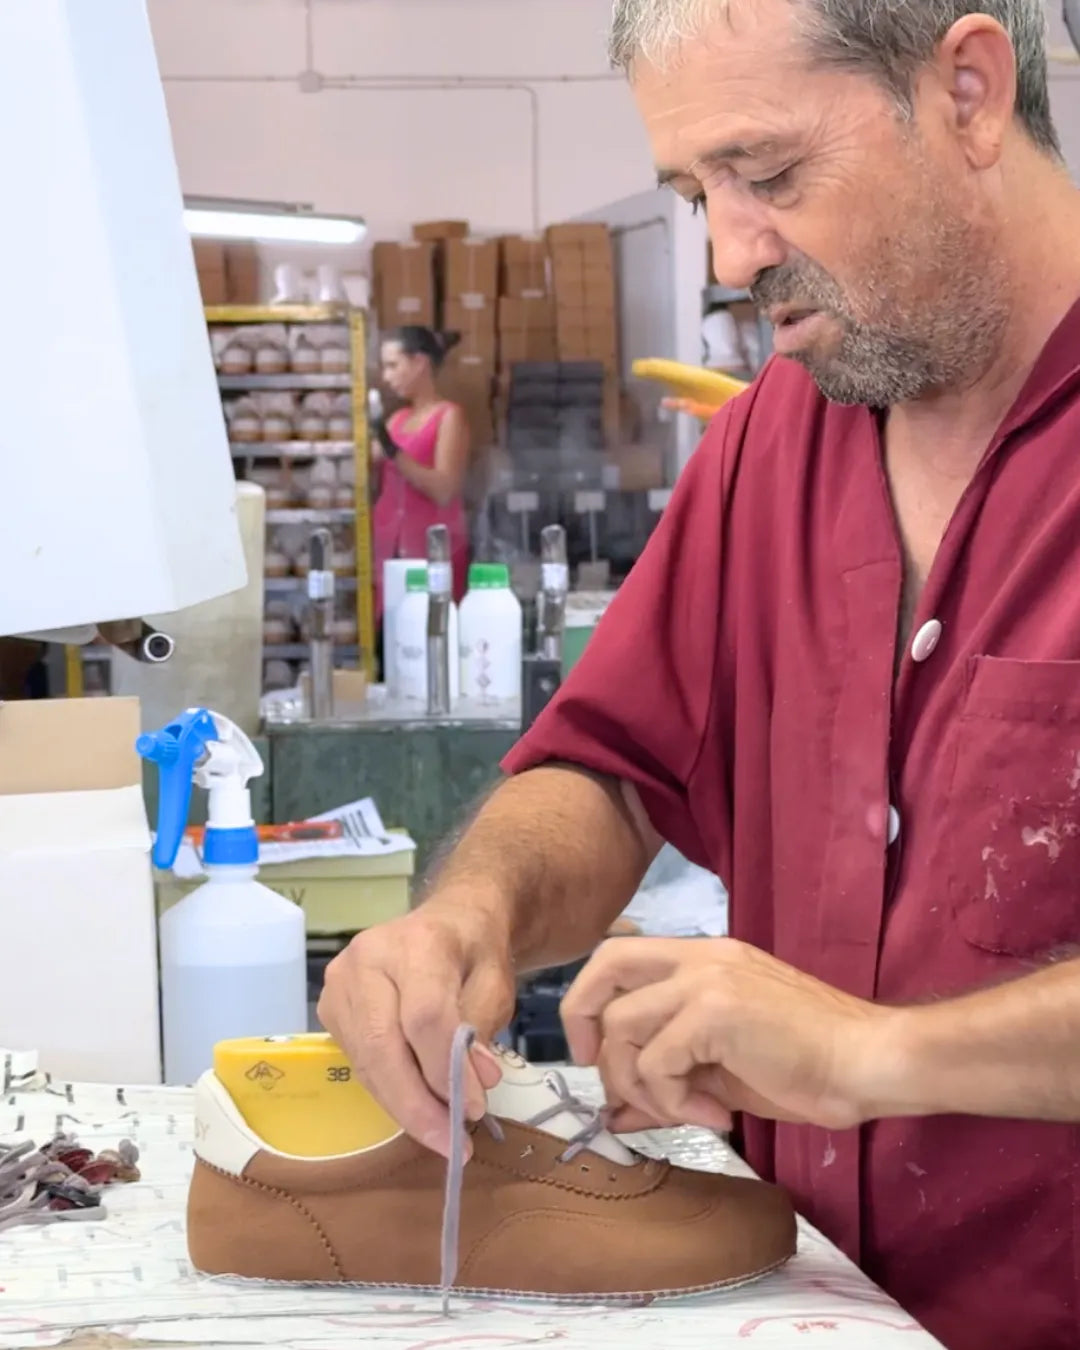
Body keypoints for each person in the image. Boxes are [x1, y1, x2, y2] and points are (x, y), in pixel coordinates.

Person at [320, 4, 1080, 1347]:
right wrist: (474, 916)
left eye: (770, 174)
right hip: (802, 1308)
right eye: (696, 195)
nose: (732, 256)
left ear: (967, 90)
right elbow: (613, 768)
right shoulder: (773, 444)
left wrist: (870, 1052)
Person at [371, 327, 471, 618]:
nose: (387, 377)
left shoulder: (448, 416)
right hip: (389, 553)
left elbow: (443, 490)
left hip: (432, 554)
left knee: (429, 629)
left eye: (393, 366)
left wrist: (393, 450)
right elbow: (368, 464)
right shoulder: (397, 419)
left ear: (419, 363)